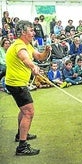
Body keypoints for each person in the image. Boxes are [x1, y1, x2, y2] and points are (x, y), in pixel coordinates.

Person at [5, 20, 51, 156]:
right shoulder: (19, 45)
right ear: (23, 32)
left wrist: (46, 51)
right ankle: (22, 147)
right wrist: (33, 67)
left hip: (17, 83)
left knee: (24, 110)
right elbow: (25, 58)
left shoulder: (27, 45)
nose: (34, 32)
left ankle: (20, 135)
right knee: (29, 112)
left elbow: (39, 57)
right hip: (17, 84)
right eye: (31, 30)